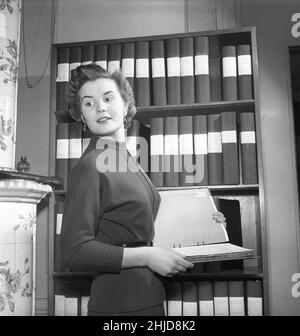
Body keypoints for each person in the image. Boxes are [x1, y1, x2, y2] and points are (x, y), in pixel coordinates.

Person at [60, 63, 226, 316]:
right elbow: (75, 252)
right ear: (82, 117)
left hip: (148, 295)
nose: (100, 107)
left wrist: (204, 225)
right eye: (88, 103)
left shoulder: (124, 158)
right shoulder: (91, 165)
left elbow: (138, 226)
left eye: (108, 98)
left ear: (126, 105)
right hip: (118, 305)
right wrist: (146, 256)